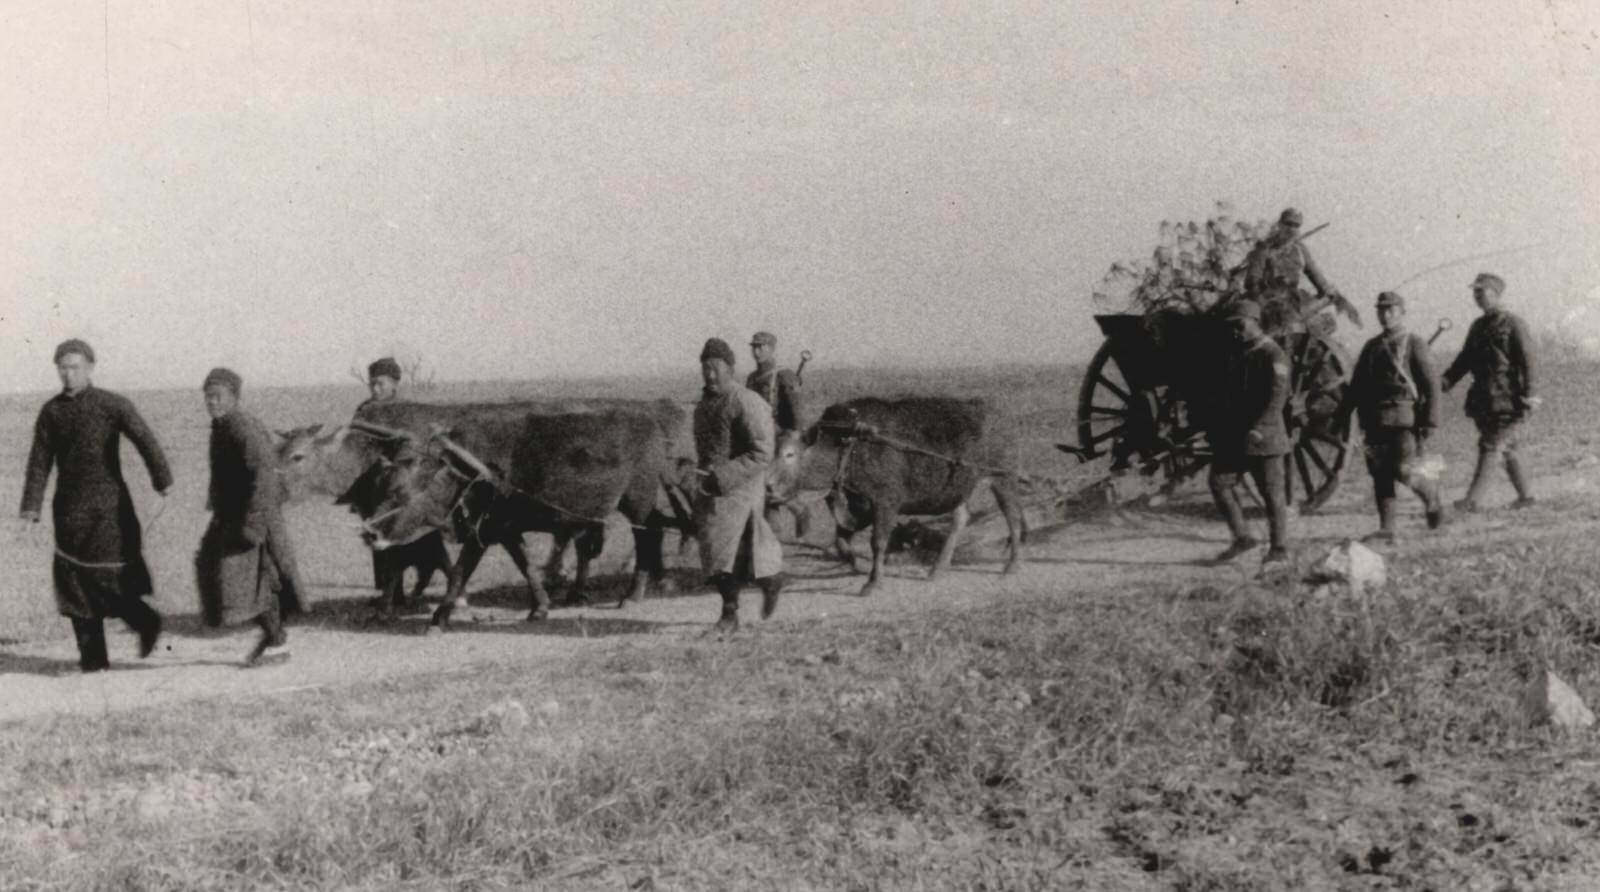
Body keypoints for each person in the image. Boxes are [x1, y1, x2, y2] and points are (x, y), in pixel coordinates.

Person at [18, 339, 172, 672]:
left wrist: (162, 480)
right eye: (63, 367)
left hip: (110, 509)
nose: (68, 374)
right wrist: (30, 508)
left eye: (75, 367)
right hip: (69, 511)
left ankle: (145, 622)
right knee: (74, 585)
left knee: (109, 580)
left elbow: (145, 440)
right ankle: (94, 662)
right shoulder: (51, 412)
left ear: (90, 368)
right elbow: (39, 461)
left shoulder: (112, 404)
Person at [195, 368, 294, 666]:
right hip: (229, 516)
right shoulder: (222, 426)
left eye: (218, 396)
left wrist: (253, 522)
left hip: (250, 516)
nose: (212, 402)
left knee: (247, 581)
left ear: (234, 398)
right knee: (212, 564)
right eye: (208, 397)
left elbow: (264, 474)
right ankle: (235, 624)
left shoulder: (242, 427)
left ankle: (276, 642)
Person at [1336, 292, 1446, 543]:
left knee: (1405, 470)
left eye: (1391, 310)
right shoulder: (1372, 346)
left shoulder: (1414, 343)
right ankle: (1387, 528)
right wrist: (1342, 414)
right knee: (1379, 474)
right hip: (1373, 421)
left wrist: (1431, 422)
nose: (1386, 315)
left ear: (1402, 312)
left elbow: (1432, 386)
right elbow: (1357, 386)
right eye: (1381, 310)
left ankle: (1433, 500)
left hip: (1404, 421)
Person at [693, 337, 784, 632]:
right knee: (714, 552)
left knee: (739, 553)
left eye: (716, 367)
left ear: (730, 369)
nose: (710, 374)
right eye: (705, 368)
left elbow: (762, 451)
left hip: (741, 489)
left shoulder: (745, 401)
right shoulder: (703, 406)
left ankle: (767, 586)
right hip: (712, 489)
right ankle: (730, 610)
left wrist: (724, 476)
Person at [355, 356, 450, 605]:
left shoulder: (407, 411)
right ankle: (391, 593)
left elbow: (419, 444)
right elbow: (355, 445)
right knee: (379, 539)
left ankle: (445, 586)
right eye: (372, 384)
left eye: (381, 384)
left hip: (405, 483)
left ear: (395, 384)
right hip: (374, 483)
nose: (375, 389)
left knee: (418, 537)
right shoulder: (364, 410)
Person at [1442, 272, 1539, 511]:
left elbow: (1529, 361)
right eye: (1475, 292)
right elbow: (1464, 359)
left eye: (1481, 292)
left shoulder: (1514, 323)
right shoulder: (1478, 326)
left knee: (1491, 445)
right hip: (1483, 398)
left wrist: (1532, 394)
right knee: (1508, 448)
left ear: (1496, 294)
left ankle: (1472, 501)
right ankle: (1526, 498)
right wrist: (1446, 380)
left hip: (1509, 398)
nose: (1477, 297)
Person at [1207, 301, 1291, 566]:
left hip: (1264, 438)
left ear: (1255, 322)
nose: (1236, 331)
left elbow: (1277, 397)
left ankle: (1279, 549)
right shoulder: (1238, 354)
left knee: (1272, 493)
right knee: (1219, 482)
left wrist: (1259, 428)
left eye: (1240, 325)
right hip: (1237, 437)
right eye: (1232, 327)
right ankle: (1242, 538)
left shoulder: (1273, 355)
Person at [746, 330, 810, 537]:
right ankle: (771, 533)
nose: (756, 351)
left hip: (783, 439)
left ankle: (799, 511)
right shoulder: (752, 378)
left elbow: (797, 413)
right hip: (758, 438)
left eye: (761, 347)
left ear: (771, 349)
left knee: (768, 484)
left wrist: (791, 439)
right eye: (754, 347)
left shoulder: (784, 375)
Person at [1241, 208, 1346, 326]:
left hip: (1294, 301)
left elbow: (1317, 277)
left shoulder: (1301, 250)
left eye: (1296, 226)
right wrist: (1263, 304)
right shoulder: (1265, 249)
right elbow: (1252, 281)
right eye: (1288, 224)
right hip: (1267, 299)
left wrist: (1328, 291)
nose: (1291, 229)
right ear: (1280, 225)